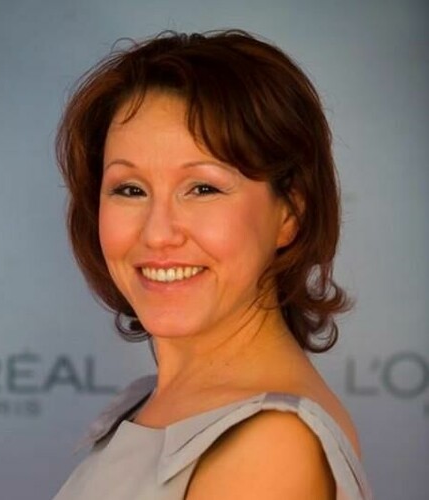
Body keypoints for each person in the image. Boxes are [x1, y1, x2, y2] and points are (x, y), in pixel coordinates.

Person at [53, 30, 372, 499]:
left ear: (289, 214)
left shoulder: (270, 448)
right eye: (130, 189)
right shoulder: (155, 405)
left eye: (203, 188)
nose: (158, 233)